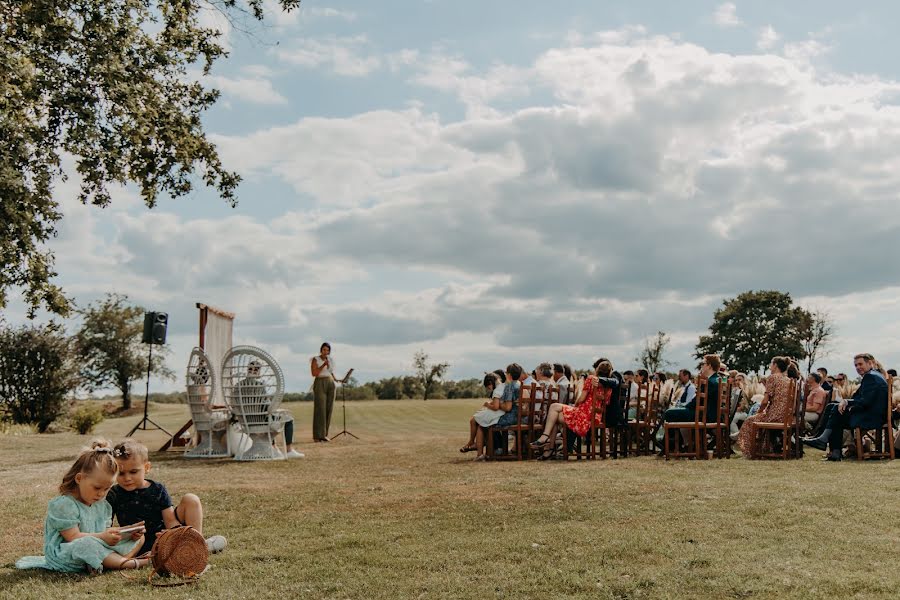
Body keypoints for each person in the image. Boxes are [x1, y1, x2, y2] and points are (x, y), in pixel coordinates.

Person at [16, 440, 147, 573]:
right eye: (97, 487)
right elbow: (73, 537)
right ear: (79, 479)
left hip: (97, 546)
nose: (101, 493)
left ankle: (114, 562)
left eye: (107, 488)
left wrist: (126, 532)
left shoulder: (101, 505)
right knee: (86, 544)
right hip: (67, 556)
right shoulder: (65, 505)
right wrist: (103, 537)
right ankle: (128, 563)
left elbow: (103, 532)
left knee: (140, 537)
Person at [107, 439, 227, 555]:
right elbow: (107, 526)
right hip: (135, 544)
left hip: (164, 537)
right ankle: (193, 548)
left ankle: (195, 545)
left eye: (133, 472)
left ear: (147, 468)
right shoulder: (114, 493)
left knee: (191, 499)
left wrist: (172, 533)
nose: (127, 478)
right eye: (121, 473)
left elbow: (170, 520)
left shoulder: (157, 489)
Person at [804, 353, 889, 461]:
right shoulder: (874, 375)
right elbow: (859, 397)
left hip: (872, 417)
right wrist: (846, 401)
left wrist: (847, 402)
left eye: (860, 364)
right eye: (856, 365)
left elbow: (865, 401)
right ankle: (822, 438)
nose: (858, 367)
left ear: (870, 363)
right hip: (871, 413)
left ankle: (829, 446)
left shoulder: (871, 376)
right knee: (832, 406)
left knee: (837, 411)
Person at [528, 360, 616, 460]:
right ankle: (549, 449)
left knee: (553, 408)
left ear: (597, 370)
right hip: (595, 417)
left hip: (583, 416)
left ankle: (545, 439)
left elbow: (581, 399)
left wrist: (577, 401)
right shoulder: (610, 386)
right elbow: (607, 403)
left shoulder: (591, 379)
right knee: (554, 414)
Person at [240, 360, 302, 458]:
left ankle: (273, 446)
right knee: (288, 419)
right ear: (258, 371)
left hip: (244, 421)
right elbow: (267, 405)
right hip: (260, 421)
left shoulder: (238, 386)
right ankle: (289, 450)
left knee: (269, 416)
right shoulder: (260, 385)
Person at [737, 356, 795, 458]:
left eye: (771, 364)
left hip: (774, 416)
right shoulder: (788, 380)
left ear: (775, 365)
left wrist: (759, 412)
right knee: (757, 419)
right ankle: (765, 448)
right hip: (786, 417)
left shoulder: (772, 377)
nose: (770, 367)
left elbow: (765, 401)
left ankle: (751, 451)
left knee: (750, 421)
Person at [470, 363, 523, 461]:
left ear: (509, 375)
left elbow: (507, 408)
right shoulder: (520, 384)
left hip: (511, 417)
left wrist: (498, 404)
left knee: (483, 424)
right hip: (519, 416)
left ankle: (484, 454)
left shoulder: (509, 386)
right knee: (485, 421)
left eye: (506, 372)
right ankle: (493, 450)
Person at [310, 342, 349, 442]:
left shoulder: (330, 359)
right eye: (324, 350)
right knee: (320, 410)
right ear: (321, 350)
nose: (326, 352)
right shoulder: (315, 359)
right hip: (320, 383)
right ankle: (317, 436)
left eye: (328, 350)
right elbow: (314, 373)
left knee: (329, 409)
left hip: (330, 383)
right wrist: (323, 364)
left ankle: (324, 435)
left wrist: (336, 379)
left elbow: (330, 371)